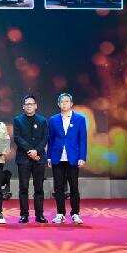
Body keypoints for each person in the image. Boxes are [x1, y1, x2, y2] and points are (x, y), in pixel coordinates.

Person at [47, 92, 88, 225]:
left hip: (73, 158)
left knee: (74, 187)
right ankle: (60, 214)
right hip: (57, 158)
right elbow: (50, 140)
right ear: (58, 104)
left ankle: (75, 213)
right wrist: (49, 156)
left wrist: (82, 157)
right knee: (58, 187)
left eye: (67, 101)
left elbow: (82, 140)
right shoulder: (53, 120)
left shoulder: (80, 119)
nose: (64, 104)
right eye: (62, 102)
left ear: (71, 104)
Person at [13, 95, 48, 224]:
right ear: (23, 106)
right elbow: (17, 138)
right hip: (23, 159)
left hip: (39, 158)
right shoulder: (18, 120)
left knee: (39, 188)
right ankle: (24, 215)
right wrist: (30, 151)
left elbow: (45, 138)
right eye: (27, 104)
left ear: (36, 106)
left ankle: (39, 215)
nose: (29, 106)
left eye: (31, 104)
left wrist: (36, 151)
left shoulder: (42, 120)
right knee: (23, 188)